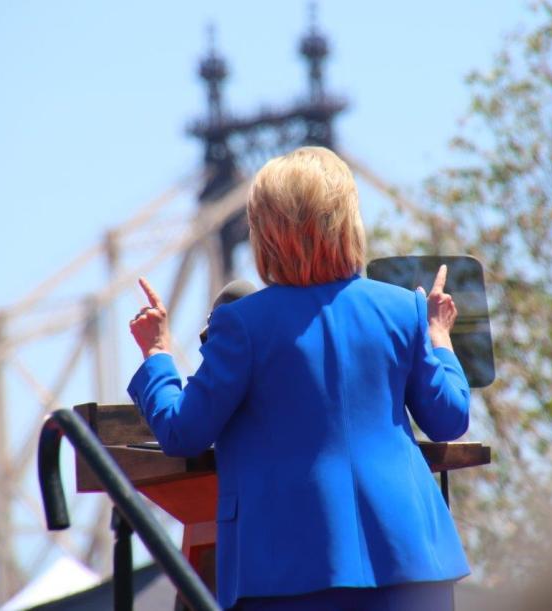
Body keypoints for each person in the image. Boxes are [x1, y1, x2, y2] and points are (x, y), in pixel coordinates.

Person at [127, 146, 471, 610]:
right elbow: (449, 418)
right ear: (348, 222)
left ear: (266, 232)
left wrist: (156, 353)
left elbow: (182, 431)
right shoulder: (402, 309)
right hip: (413, 561)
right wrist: (439, 336)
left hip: (287, 572)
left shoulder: (242, 324)